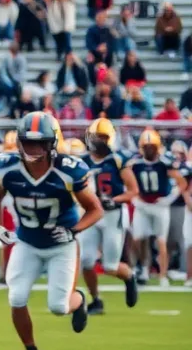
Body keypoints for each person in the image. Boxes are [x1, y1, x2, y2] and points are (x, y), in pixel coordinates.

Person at [0, 112, 101, 350]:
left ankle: (80, 300)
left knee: (59, 307)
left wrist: (74, 231)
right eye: (27, 142)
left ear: (52, 143)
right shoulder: (5, 167)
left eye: (40, 143)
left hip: (61, 245)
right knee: (16, 297)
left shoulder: (68, 170)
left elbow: (95, 209)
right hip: (27, 242)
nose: (33, 149)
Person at [80, 117, 139, 314]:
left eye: (103, 137)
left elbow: (132, 190)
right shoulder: (82, 161)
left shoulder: (118, 159)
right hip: (91, 214)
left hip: (113, 215)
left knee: (110, 266)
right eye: (96, 136)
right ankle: (96, 300)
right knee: (86, 261)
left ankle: (129, 277)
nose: (99, 140)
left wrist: (115, 199)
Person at [127, 128, 187, 287]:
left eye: (151, 146)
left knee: (161, 241)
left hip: (160, 206)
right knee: (138, 238)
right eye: (146, 146)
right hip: (143, 204)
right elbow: (127, 181)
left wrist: (169, 198)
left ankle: (162, 276)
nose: (149, 149)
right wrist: (134, 197)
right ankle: (142, 269)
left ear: (157, 146)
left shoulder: (165, 162)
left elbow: (182, 183)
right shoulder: (135, 163)